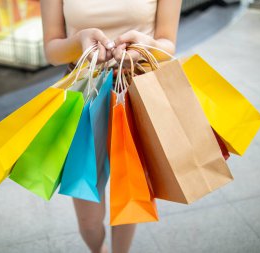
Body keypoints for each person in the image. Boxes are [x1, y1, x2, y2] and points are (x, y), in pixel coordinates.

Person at [40, 0, 182, 252]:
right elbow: (52, 51)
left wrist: (145, 46)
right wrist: (80, 40)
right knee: (89, 219)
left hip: (138, 94)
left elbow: (167, 42)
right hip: (84, 94)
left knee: (129, 196)